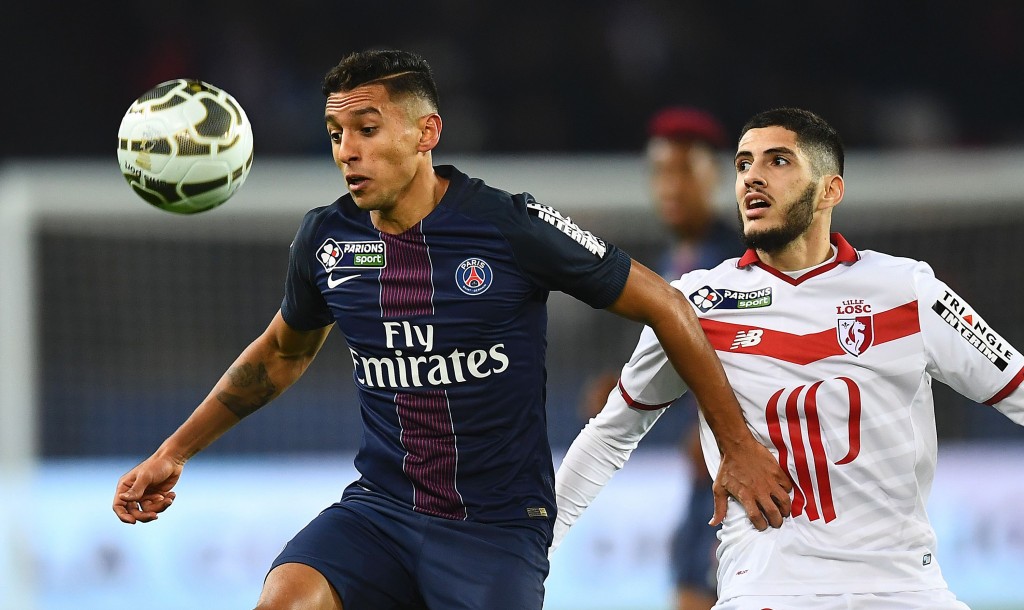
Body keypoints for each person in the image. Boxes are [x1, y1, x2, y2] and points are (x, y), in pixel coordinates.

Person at [111, 49, 791, 610]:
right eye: (335, 135)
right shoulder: (327, 240)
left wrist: (735, 444)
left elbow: (669, 306)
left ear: (425, 133)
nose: (348, 150)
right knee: (283, 603)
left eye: (367, 130)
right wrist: (175, 451)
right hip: (379, 513)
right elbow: (280, 356)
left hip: (494, 532)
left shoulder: (507, 226)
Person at [552, 107, 1024, 609]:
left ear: (829, 191)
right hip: (769, 590)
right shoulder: (695, 303)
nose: (753, 176)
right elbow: (609, 434)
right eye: (743, 164)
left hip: (905, 589)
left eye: (778, 161)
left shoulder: (907, 291)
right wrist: (533, 542)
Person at [574, 107, 738, 610]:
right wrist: (623, 382)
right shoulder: (674, 260)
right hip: (705, 475)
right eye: (661, 171)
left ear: (715, 176)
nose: (670, 185)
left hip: (737, 468)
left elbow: (750, 352)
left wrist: (721, 428)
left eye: (685, 170)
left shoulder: (735, 261)